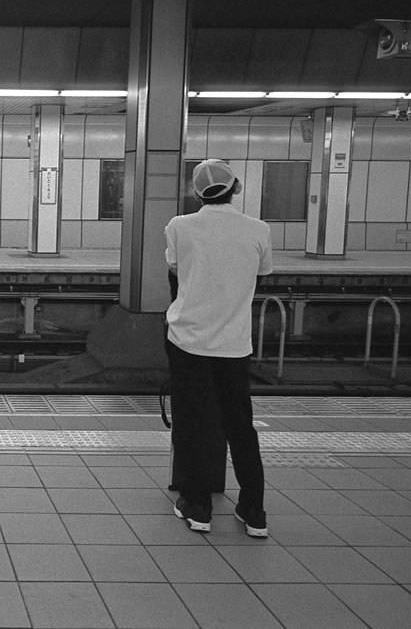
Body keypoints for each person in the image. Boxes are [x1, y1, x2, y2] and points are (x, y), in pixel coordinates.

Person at [164, 159, 272, 538]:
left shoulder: (180, 226)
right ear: (236, 187)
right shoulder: (258, 230)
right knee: (240, 425)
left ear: (196, 193)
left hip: (188, 341)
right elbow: (263, 272)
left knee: (191, 423)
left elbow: (175, 270)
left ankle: (197, 507)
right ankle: (253, 510)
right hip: (234, 344)